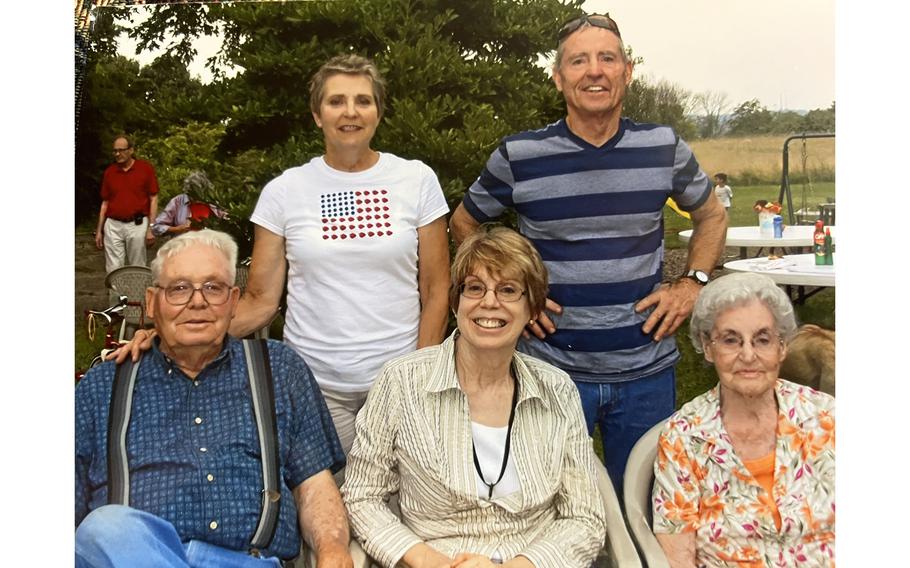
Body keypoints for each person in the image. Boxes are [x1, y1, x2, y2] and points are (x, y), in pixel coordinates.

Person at [121, 55, 451, 464]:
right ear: (317, 115)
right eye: (336, 101)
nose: (350, 112)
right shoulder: (284, 191)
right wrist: (174, 334)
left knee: (402, 507)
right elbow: (261, 300)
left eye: (363, 101)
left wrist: (418, 376)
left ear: (379, 112)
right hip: (313, 385)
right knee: (328, 509)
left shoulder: (417, 180)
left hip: (398, 384)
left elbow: (437, 290)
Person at [449, 12, 728, 493]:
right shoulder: (521, 156)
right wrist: (512, 297)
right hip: (549, 373)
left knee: (644, 506)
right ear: (559, 78)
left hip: (647, 372)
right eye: (578, 61)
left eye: (607, 58)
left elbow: (712, 216)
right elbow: (464, 223)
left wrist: (692, 285)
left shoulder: (663, 147)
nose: (594, 70)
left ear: (628, 70)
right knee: (547, 502)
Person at [76, 230, 352, 567]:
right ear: (151, 302)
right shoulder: (103, 386)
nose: (197, 301)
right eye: (178, 288)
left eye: (213, 287)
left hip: (248, 561)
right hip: (133, 557)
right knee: (105, 528)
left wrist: (333, 551)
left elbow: (313, 484)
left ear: (234, 301)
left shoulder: (279, 369)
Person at [342, 225, 607, 568]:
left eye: (509, 290)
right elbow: (362, 496)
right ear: (456, 303)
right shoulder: (401, 382)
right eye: (475, 288)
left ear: (532, 308)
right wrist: (429, 561)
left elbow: (585, 516)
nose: (489, 302)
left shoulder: (557, 390)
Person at [652, 272, 835, 567]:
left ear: (783, 347)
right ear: (708, 347)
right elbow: (677, 556)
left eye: (762, 340)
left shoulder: (826, 416)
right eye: (731, 340)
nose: (748, 355)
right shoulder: (684, 437)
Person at [95, 134, 160, 273]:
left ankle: (137, 295)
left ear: (131, 150)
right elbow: (105, 202)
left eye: (121, 150)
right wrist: (99, 230)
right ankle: (117, 296)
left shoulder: (145, 169)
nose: (117, 154)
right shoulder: (110, 172)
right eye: (115, 151)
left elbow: (153, 198)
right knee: (113, 269)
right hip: (113, 224)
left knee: (137, 266)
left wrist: (151, 228)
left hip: (137, 223)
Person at [151, 171, 229, 237]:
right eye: (194, 191)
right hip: (183, 247)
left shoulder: (212, 202)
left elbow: (227, 219)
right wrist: (177, 229)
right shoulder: (178, 201)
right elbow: (156, 227)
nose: (198, 196)